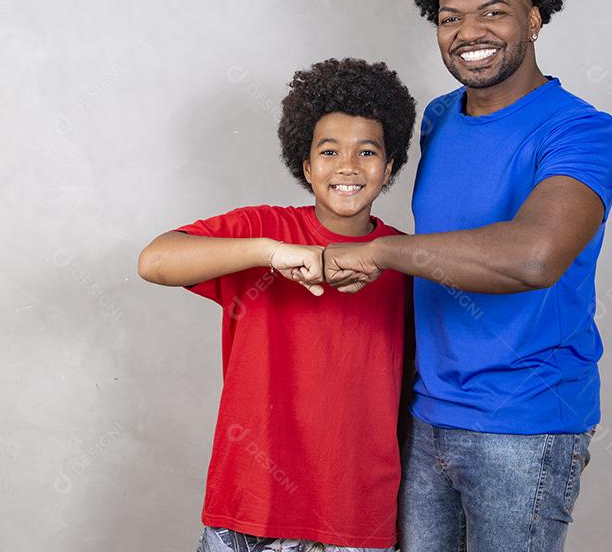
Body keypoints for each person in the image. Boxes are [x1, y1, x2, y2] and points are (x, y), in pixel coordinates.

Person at [321, 0, 612, 551]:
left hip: (523, 422)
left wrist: (383, 253)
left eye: (492, 11)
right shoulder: (438, 118)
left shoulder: (580, 130)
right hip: (426, 415)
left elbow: (533, 257)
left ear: (536, 16)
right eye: (449, 17)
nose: (468, 32)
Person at [137, 58, 417, 552]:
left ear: (389, 167)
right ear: (306, 166)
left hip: (354, 513)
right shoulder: (260, 230)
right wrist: (269, 253)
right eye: (329, 151)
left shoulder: (404, 259)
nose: (348, 166)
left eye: (367, 152)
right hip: (249, 504)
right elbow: (155, 260)